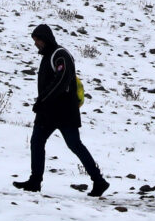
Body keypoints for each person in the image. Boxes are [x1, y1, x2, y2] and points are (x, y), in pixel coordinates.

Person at [14, 22, 107, 196]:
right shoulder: (49, 56)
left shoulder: (60, 55)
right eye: (34, 40)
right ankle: (35, 181)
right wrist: (43, 103)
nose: (35, 43)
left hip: (63, 112)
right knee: (37, 142)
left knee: (74, 145)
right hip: (49, 111)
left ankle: (99, 181)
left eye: (37, 40)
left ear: (45, 38)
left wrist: (43, 100)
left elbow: (61, 80)